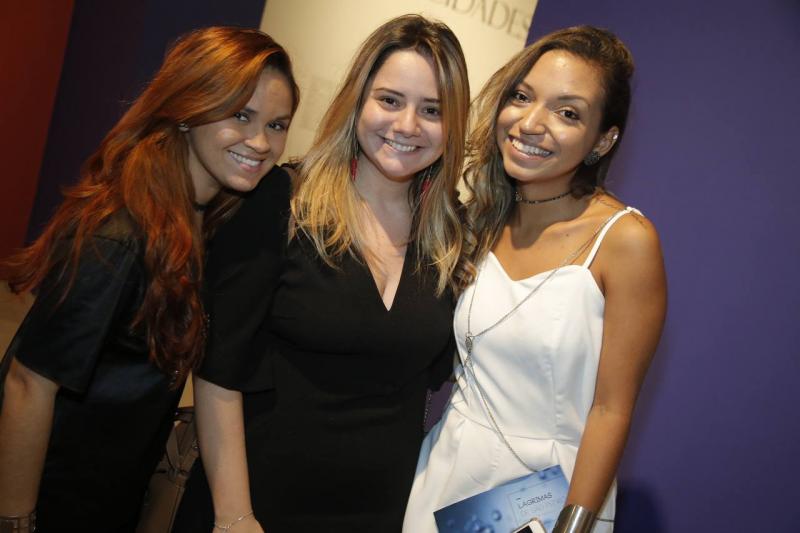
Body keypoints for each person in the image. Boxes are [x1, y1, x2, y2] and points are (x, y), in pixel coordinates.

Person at [173, 14, 470, 533]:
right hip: (256, 506)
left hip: (379, 514)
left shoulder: (451, 235)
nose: (406, 126)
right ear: (358, 100)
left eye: (432, 110)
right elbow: (218, 372)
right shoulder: (282, 202)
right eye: (390, 100)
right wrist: (235, 516)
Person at [0, 27, 298, 533]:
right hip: (51, 503)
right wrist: (16, 521)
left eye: (277, 124)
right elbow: (28, 384)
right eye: (240, 115)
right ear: (187, 108)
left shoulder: (204, 225)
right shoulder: (120, 235)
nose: (260, 142)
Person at [403, 26, 667, 533]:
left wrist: (572, 525)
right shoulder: (480, 218)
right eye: (522, 97)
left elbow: (611, 410)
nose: (530, 123)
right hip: (445, 478)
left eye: (567, 113)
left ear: (603, 140)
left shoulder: (624, 240)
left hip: (550, 501)